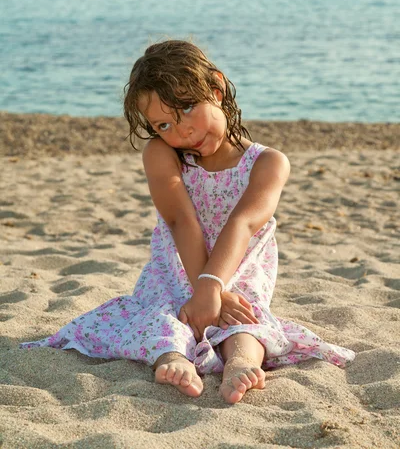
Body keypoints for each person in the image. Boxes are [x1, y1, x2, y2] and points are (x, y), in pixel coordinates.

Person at [20, 40, 355, 404]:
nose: (183, 132)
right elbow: (181, 219)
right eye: (164, 123)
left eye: (187, 108)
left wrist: (215, 287)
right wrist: (202, 289)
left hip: (239, 268)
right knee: (162, 315)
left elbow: (242, 223)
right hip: (176, 267)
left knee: (243, 321)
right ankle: (172, 357)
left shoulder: (268, 163)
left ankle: (240, 363)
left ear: (217, 88)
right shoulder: (162, 154)